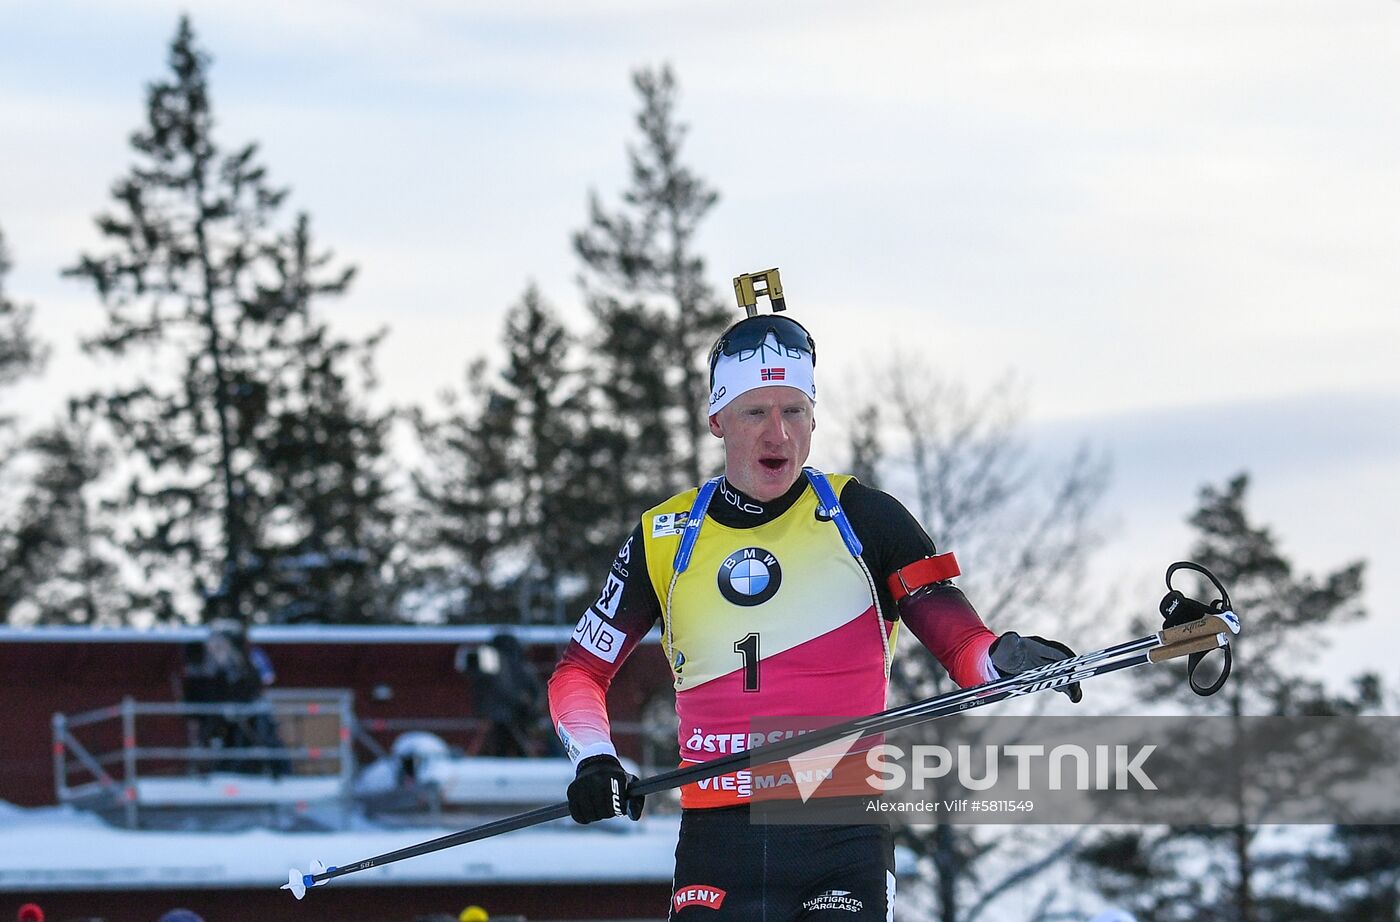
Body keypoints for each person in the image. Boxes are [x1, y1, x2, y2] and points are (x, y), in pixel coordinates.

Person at [547, 289, 1083, 920]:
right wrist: (596, 759)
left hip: (841, 825)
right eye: (755, 413)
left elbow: (964, 646)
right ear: (717, 419)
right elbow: (580, 673)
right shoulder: (665, 537)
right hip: (717, 837)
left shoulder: (863, 519)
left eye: (795, 412)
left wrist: (1007, 657)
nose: (778, 435)